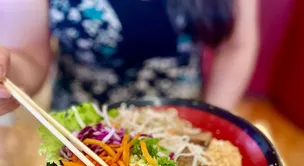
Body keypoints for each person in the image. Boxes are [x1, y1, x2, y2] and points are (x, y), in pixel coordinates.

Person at [0, 0, 258, 117]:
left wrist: (212, 123)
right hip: (81, 128)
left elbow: (237, 44)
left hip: (180, 125)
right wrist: (6, 72)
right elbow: (27, 60)